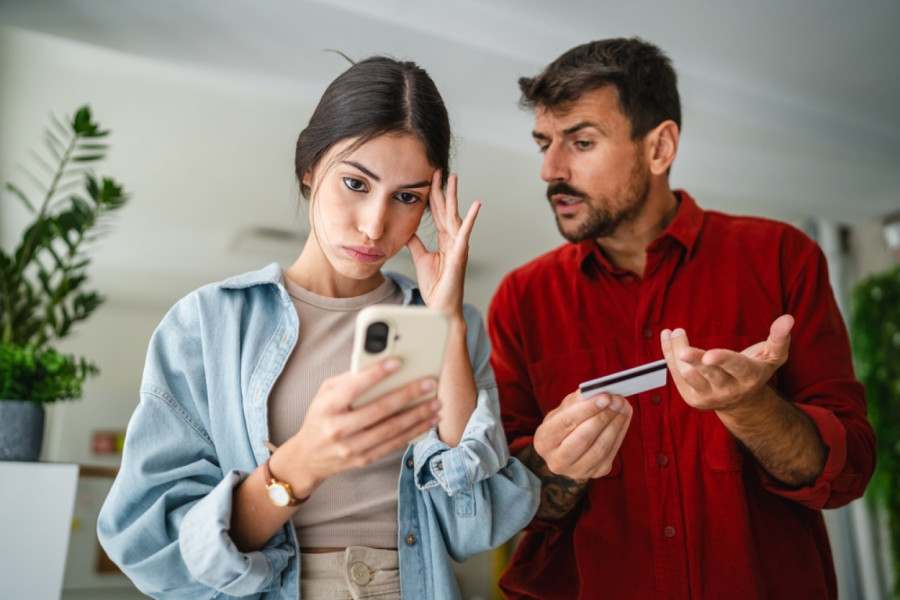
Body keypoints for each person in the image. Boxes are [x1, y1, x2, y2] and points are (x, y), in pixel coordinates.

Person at [97, 56, 539, 600]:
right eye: (355, 182)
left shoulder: (451, 326)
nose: (375, 224)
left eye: (408, 197)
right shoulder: (207, 324)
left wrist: (445, 315)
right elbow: (152, 545)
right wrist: (301, 463)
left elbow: (473, 526)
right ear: (309, 169)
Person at [488, 37, 876, 599]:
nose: (551, 168)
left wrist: (752, 408)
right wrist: (553, 467)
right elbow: (502, 506)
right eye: (544, 143)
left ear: (659, 147)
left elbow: (850, 471)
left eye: (581, 142)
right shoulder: (521, 299)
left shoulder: (782, 258)